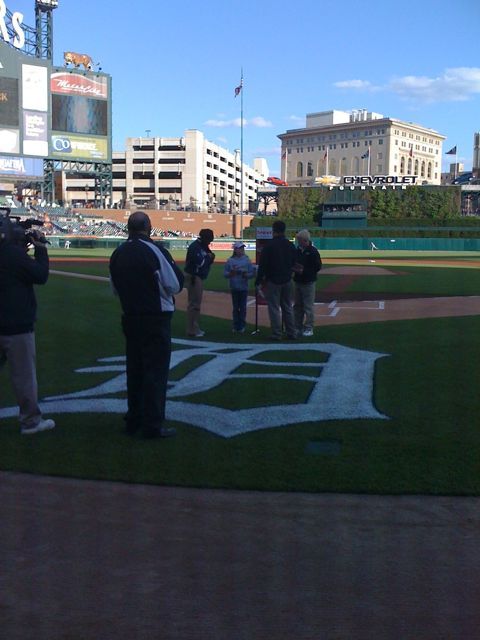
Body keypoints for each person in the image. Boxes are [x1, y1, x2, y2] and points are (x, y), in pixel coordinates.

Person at [109, 211, 184, 439]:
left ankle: (134, 419)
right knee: (155, 373)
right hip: (155, 318)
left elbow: (115, 289)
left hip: (130, 317)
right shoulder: (154, 250)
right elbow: (175, 284)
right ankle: (152, 424)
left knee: (135, 370)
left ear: (128, 228)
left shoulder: (118, 253)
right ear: (148, 227)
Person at [0, 221, 55, 435]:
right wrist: (40, 248)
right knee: (24, 377)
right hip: (16, 326)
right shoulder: (13, 254)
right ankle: (31, 422)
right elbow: (40, 275)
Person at [255, 219, 296, 340]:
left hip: (273, 281)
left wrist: (258, 280)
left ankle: (277, 333)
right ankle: (291, 332)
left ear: (274, 231)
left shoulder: (269, 246)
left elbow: (263, 265)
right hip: (287, 279)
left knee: (274, 308)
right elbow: (294, 262)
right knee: (287, 307)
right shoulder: (290, 245)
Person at [184, 228, 215, 337]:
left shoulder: (202, 246)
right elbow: (201, 262)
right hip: (194, 276)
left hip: (197, 276)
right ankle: (192, 329)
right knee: (194, 304)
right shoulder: (195, 247)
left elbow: (210, 256)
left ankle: (195, 328)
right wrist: (209, 258)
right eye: (209, 240)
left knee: (195, 304)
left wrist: (209, 257)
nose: (210, 242)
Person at [293, 229, 322, 337]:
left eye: (299, 240)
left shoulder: (313, 251)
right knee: (297, 306)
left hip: (308, 282)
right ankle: (297, 327)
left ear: (305, 240)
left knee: (308, 307)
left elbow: (317, 267)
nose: (298, 241)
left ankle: (309, 328)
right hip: (298, 281)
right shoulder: (297, 250)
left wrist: (304, 270)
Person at [224, 241, 255, 333]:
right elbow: (225, 274)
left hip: (243, 287)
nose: (241, 250)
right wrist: (231, 273)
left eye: (242, 248)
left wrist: (246, 275)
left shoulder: (247, 260)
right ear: (235, 250)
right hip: (234, 287)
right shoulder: (230, 261)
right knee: (235, 308)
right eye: (239, 248)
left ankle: (242, 326)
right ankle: (235, 325)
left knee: (242, 308)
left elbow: (251, 273)